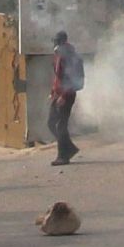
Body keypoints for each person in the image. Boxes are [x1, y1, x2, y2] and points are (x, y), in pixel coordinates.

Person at [47, 30, 84, 166]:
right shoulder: (60, 55)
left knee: (60, 125)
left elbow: (71, 78)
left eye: (56, 42)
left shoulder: (68, 55)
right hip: (59, 94)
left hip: (66, 95)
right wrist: (53, 91)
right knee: (51, 122)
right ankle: (69, 148)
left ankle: (63, 156)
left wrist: (63, 95)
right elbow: (58, 76)